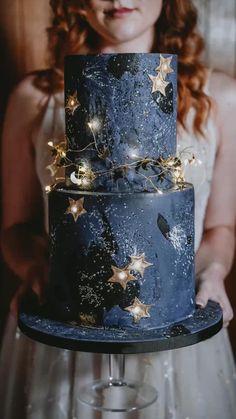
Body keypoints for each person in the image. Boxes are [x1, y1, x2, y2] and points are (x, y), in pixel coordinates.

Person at [1, 0, 236, 418]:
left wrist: (212, 272)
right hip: (69, 329)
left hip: (170, 326)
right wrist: (38, 272)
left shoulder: (218, 97)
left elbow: (221, 226)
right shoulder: (33, 99)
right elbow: (16, 227)